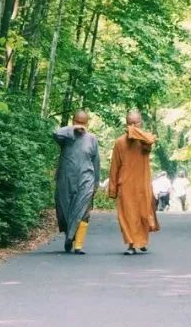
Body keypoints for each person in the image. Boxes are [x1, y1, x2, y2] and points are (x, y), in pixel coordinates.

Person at [108, 109, 159, 255]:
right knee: (127, 216)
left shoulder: (144, 142)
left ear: (141, 123)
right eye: (130, 123)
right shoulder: (119, 142)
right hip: (125, 185)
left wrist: (136, 132)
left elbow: (150, 141)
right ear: (125, 124)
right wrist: (112, 189)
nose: (133, 126)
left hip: (142, 185)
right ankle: (131, 245)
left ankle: (141, 241)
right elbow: (114, 166)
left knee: (144, 214)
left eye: (135, 123)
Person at [53, 110, 100, 255]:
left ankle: (78, 245)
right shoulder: (66, 136)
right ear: (73, 122)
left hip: (86, 179)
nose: (80, 125)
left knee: (84, 211)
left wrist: (96, 182)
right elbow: (55, 133)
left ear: (87, 123)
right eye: (77, 122)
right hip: (66, 179)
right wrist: (72, 129)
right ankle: (69, 236)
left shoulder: (92, 139)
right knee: (64, 210)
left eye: (83, 123)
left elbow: (96, 162)